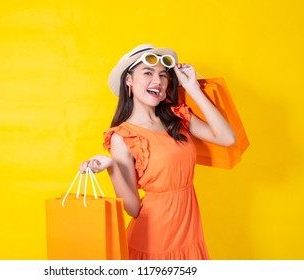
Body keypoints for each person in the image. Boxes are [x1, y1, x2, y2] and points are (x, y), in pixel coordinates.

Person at [79, 44, 236, 260]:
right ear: (129, 80)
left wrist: (192, 89)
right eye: (148, 73)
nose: (158, 81)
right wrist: (112, 167)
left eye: (163, 75)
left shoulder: (176, 117)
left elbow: (227, 138)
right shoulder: (123, 137)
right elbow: (133, 209)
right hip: (154, 241)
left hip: (189, 234)